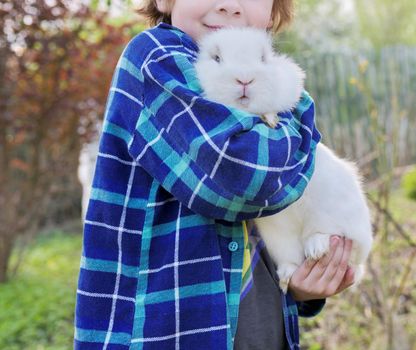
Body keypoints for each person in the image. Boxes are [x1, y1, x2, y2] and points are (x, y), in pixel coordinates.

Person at [74, 0, 356, 349]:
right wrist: (296, 111)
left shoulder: (253, 80)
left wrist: (299, 284)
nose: (228, 5)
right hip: (166, 336)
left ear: (272, 10)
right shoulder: (157, 59)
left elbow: (281, 204)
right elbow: (244, 178)